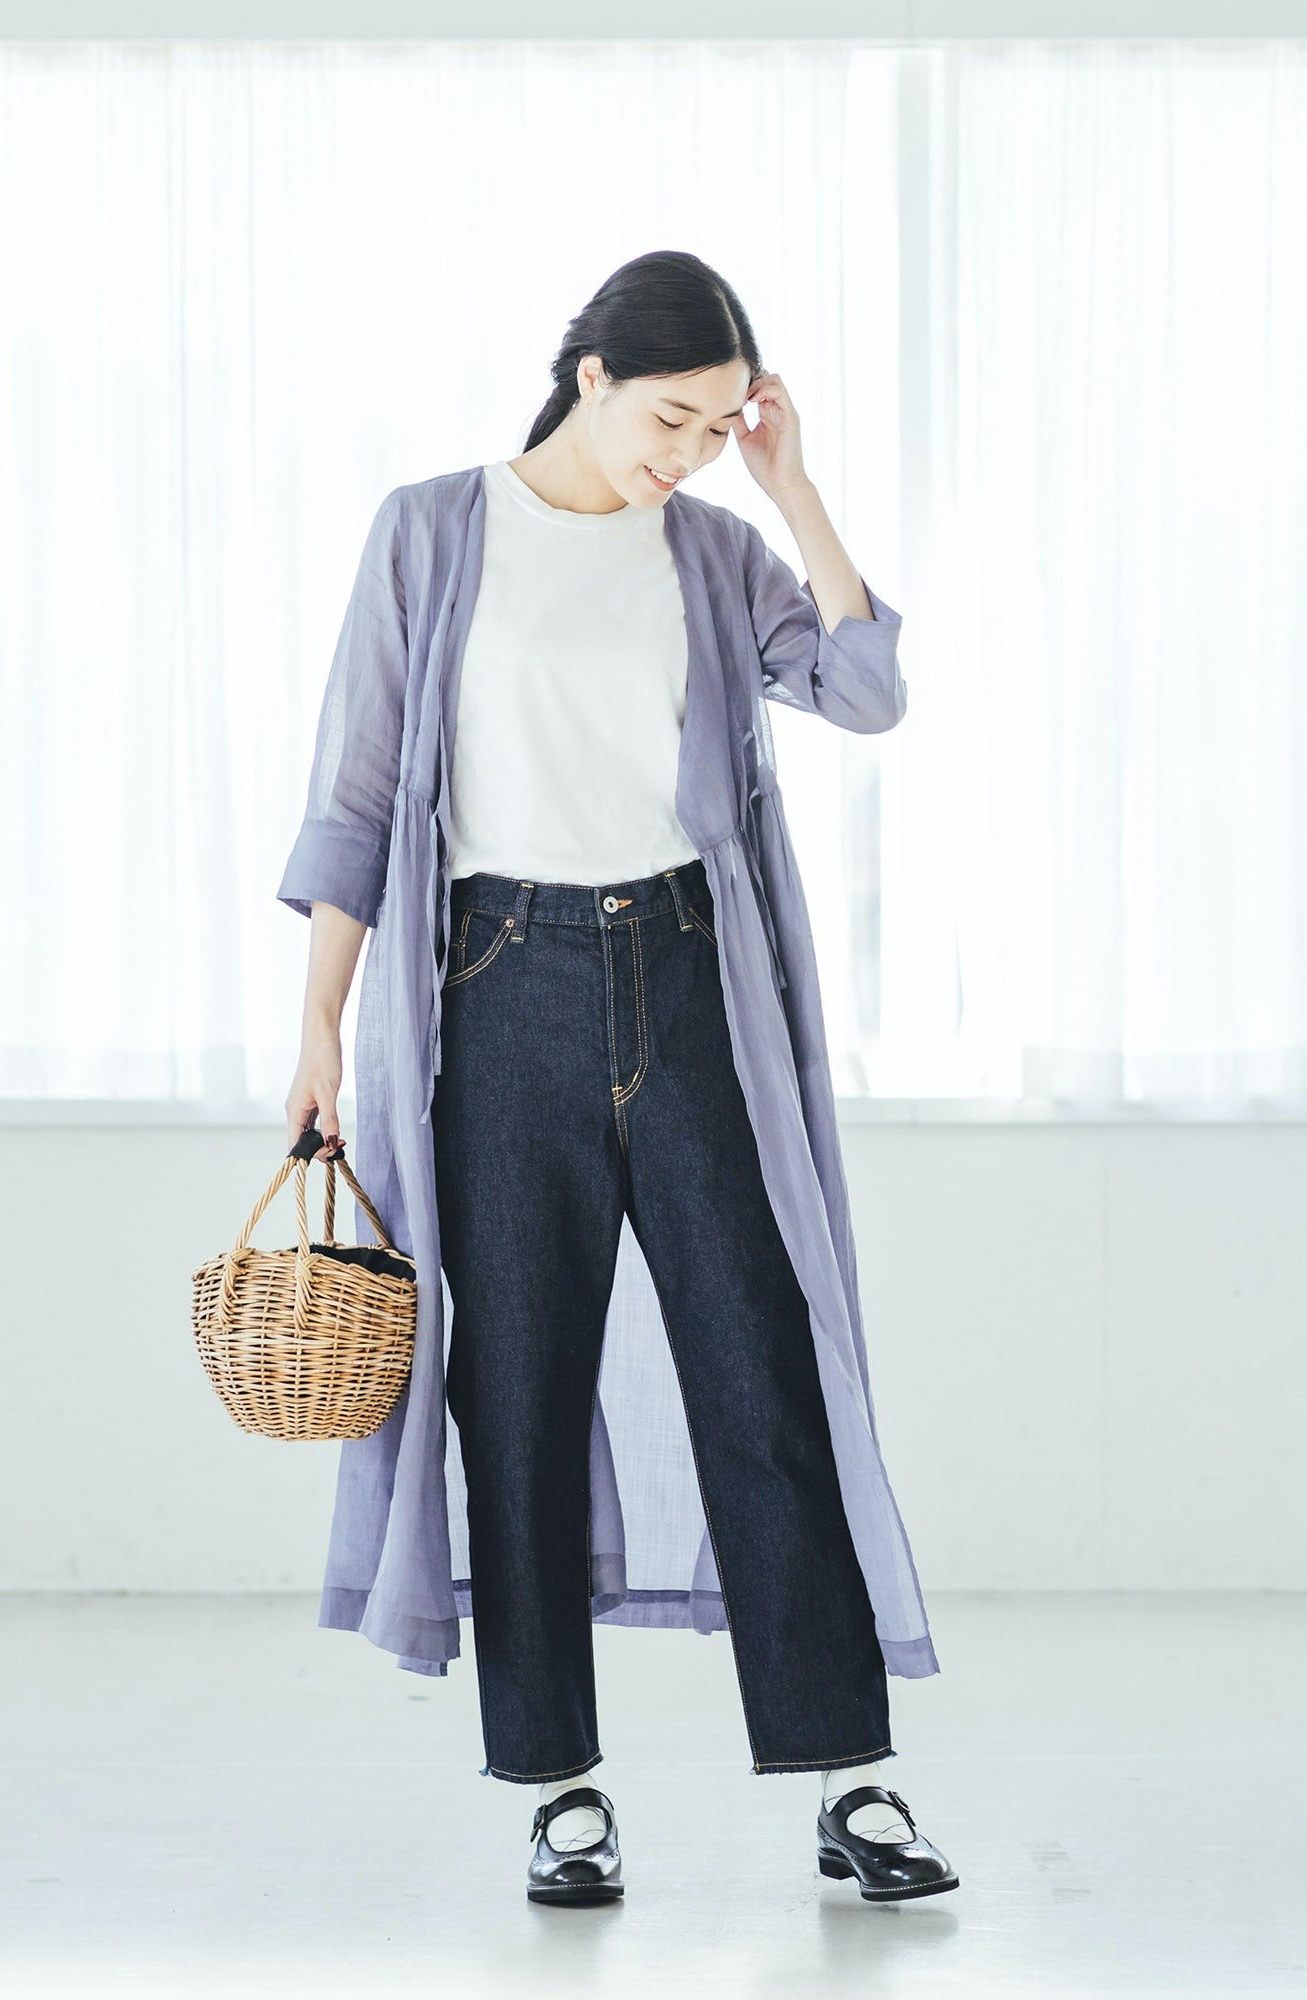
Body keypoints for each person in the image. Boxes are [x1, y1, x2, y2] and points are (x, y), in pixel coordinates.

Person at [281, 250, 956, 1905]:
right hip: (497, 990)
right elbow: (356, 802)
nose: (689, 454)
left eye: (721, 428)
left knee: (762, 1373)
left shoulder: (717, 551)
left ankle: (849, 1778)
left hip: (688, 980)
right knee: (514, 1395)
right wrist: (319, 1031)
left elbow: (867, 689)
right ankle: (558, 1789)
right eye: (672, 420)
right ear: (588, 376)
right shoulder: (432, 533)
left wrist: (793, 490)